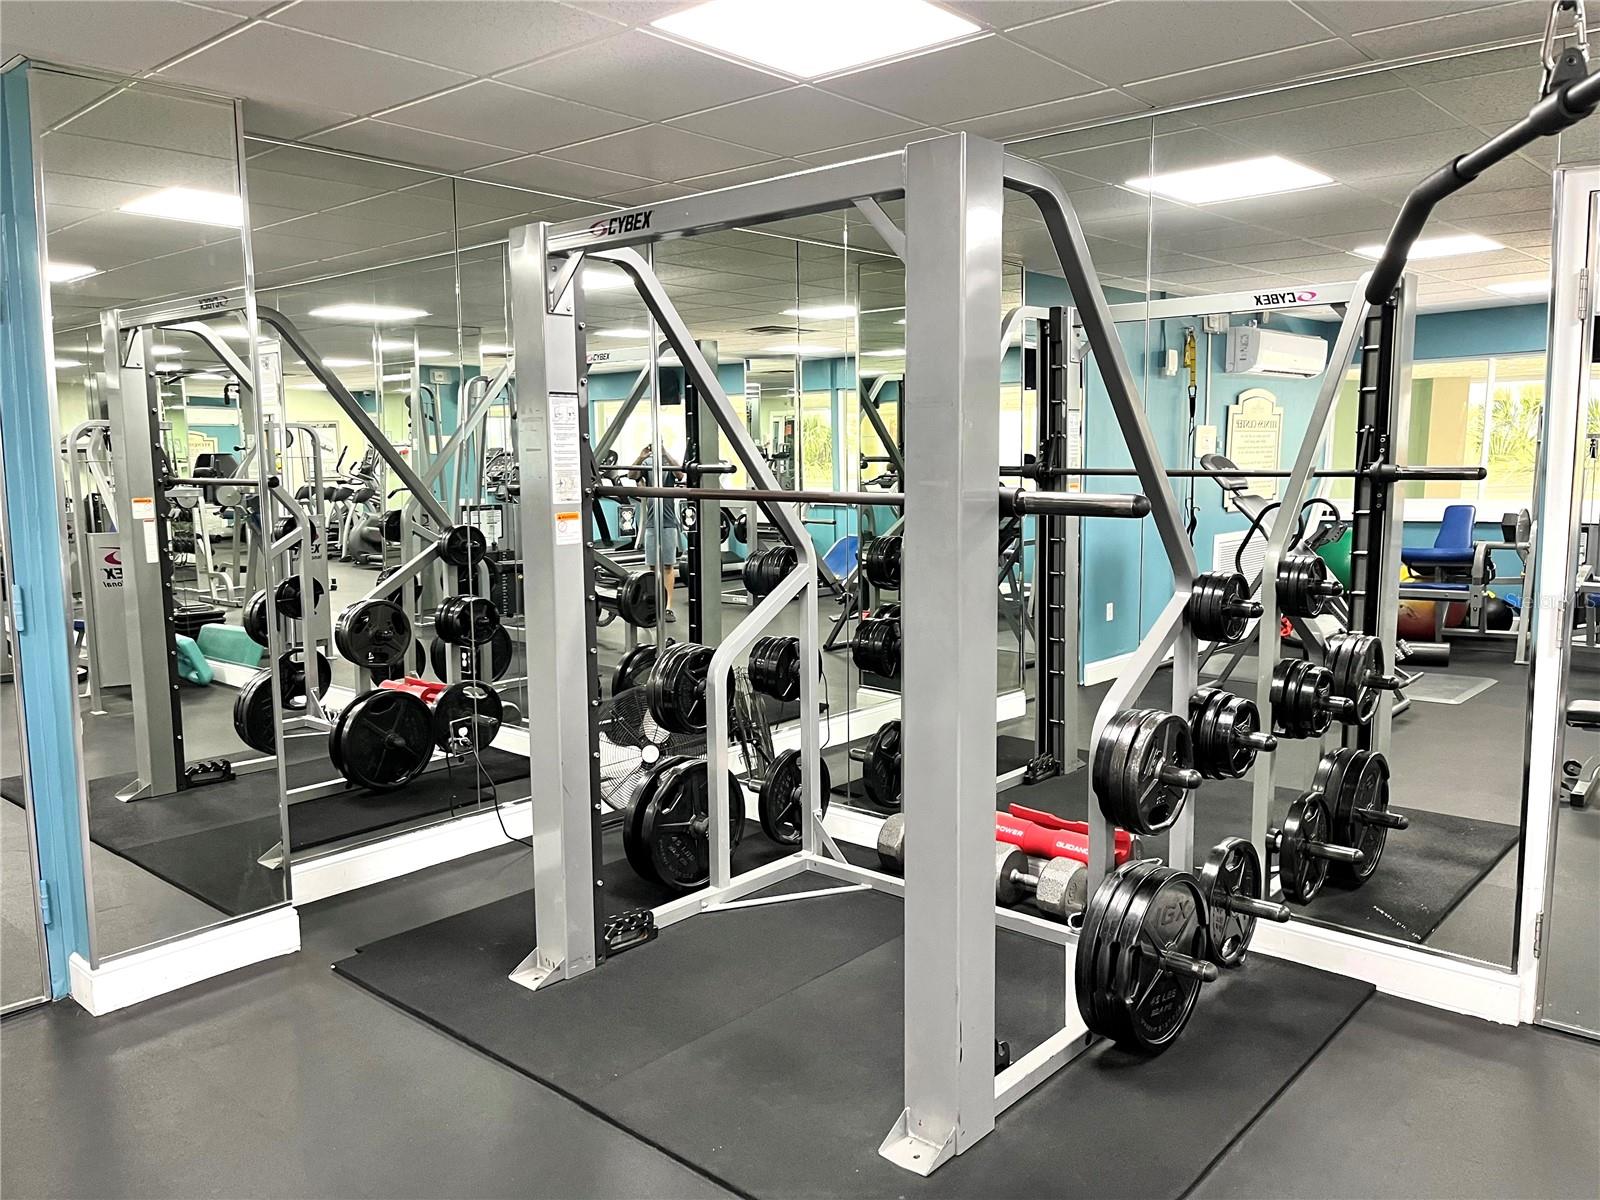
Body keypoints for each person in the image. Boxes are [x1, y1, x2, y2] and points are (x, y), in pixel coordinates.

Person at [633, 444, 683, 622]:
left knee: (668, 566)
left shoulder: (669, 463)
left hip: (668, 523)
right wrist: (641, 457)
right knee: (653, 567)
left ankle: (667, 607)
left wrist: (665, 453)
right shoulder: (647, 463)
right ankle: (655, 605)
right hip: (651, 524)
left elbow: (680, 474)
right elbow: (632, 475)